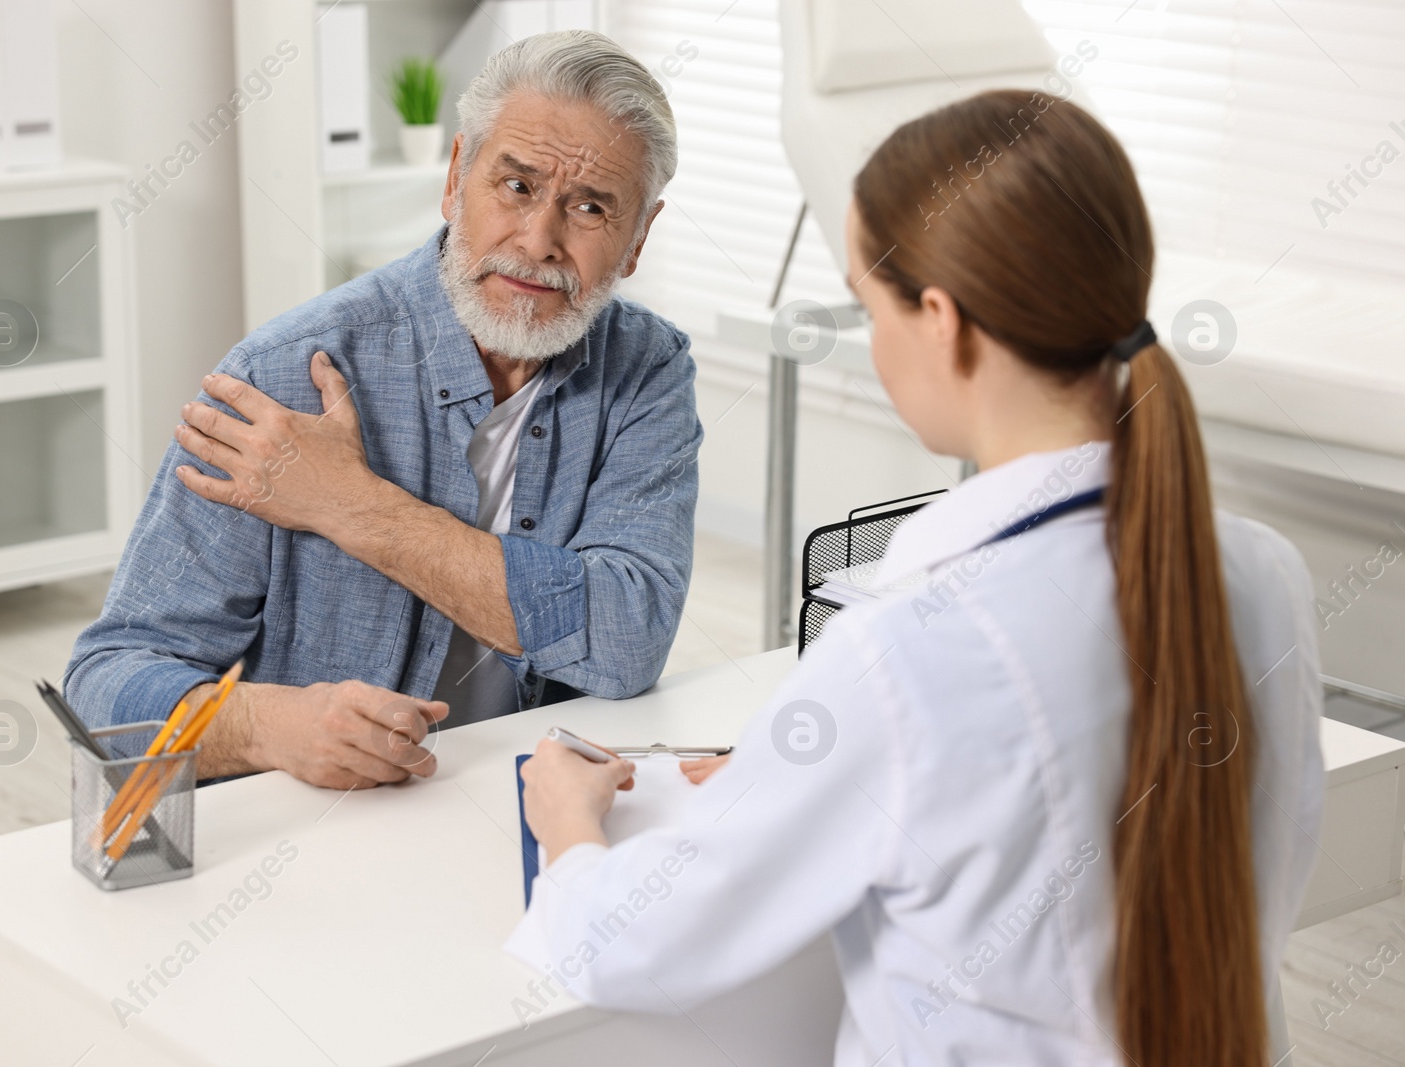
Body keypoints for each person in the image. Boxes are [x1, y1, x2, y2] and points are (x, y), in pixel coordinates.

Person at [513, 89, 1324, 1066]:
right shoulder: (1261, 573)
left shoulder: (904, 657)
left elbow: (628, 942)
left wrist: (565, 818)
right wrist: (824, 770)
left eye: (868, 303)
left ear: (939, 320)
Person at [64, 31, 702, 791]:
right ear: (455, 180)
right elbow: (107, 688)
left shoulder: (647, 367)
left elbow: (629, 639)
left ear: (637, 240)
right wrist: (268, 726)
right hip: (320, 833)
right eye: (517, 186)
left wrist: (353, 505)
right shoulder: (279, 378)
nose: (539, 241)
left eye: (591, 208)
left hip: (535, 807)